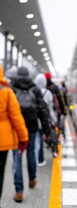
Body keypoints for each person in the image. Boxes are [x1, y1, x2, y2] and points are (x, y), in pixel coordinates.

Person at [11, 66, 50, 203]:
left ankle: (19, 192)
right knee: (31, 153)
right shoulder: (35, 89)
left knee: (17, 158)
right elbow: (43, 111)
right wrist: (47, 130)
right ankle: (32, 179)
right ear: (28, 75)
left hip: (16, 129)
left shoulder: (12, 88)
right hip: (32, 127)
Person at [0, 65, 28, 207]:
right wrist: (24, 137)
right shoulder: (6, 92)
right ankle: (19, 190)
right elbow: (16, 117)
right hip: (3, 139)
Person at [34, 73, 58, 163]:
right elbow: (50, 109)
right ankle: (40, 159)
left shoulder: (33, 91)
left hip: (34, 119)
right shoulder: (48, 93)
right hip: (44, 119)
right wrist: (54, 119)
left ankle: (36, 158)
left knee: (36, 140)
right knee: (41, 138)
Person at [45, 71, 67, 141]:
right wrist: (63, 110)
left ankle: (49, 139)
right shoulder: (55, 87)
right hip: (55, 111)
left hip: (45, 112)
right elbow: (60, 99)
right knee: (56, 125)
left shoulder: (43, 87)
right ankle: (55, 140)